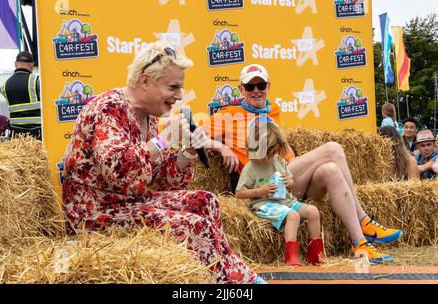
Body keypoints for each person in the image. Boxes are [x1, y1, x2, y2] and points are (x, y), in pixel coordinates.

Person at [62, 42, 264, 284]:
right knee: (194, 227)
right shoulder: (108, 108)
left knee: (206, 201)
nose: (179, 96)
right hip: (96, 214)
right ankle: (234, 284)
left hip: (129, 203)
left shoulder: (148, 115)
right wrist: (165, 138)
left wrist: (188, 151)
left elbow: (160, 181)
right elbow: (119, 171)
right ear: (146, 81)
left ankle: (232, 277)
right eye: (173, 87)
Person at [207, 63, 402, 263]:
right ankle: (364, 221)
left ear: (268, 86)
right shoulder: (228, 114)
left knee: (331, 170)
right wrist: (221, 147)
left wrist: (289, 152)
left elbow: (278, 148)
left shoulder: (272, 110)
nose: (256, 90)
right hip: (265, 187)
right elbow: (192, 134)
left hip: (288, 182)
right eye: (250, 87)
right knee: (333, 149)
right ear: (241, 89)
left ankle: (359, 243)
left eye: (261, 85)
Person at [235, 119, 324, 266]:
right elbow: (239, 193)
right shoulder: (250, 167)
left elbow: (291, 181)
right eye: (268, 151)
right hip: (264, 203)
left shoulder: (278, 161)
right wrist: (261, 191)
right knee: (293, 215)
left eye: (274, 150)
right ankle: (291, 257)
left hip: (285, 201)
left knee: (313, 211)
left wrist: (287, 182)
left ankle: (315, 254)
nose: (271, 154)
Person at [0, 51, 42, 140]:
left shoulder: (4, 86)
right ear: (32, 65)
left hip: (17, 134)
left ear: (15, 64)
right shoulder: (37, 81)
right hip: (37, 133)